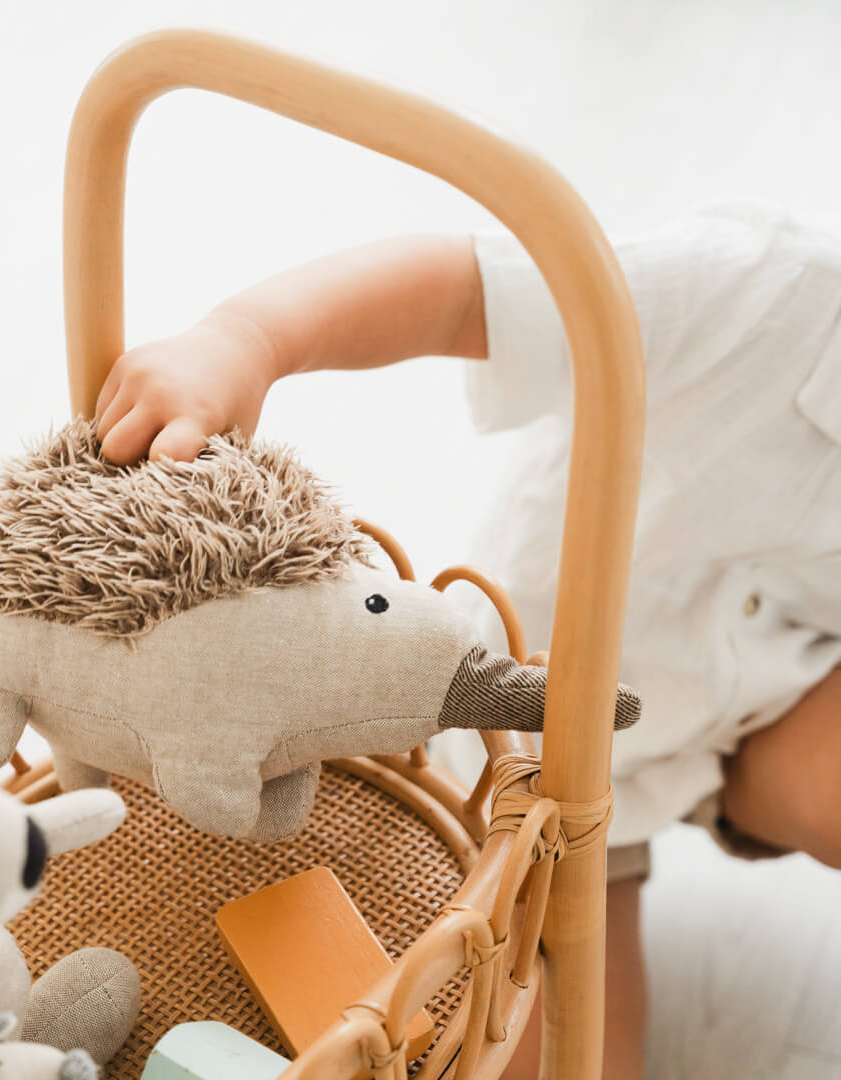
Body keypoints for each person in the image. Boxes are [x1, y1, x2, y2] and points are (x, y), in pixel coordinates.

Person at [93, 204, 841, 1077]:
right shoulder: (767, 288)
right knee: (565, 1060)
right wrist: (247, 338)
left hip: (765, 696)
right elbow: (459, 291)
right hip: (510, 746)